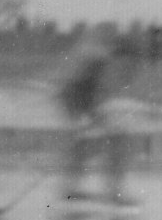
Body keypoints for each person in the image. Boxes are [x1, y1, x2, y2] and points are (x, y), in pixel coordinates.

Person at [55, 24, 142, 206]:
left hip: (82, 102)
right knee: (112, 138)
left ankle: (78, 188)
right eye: (125, 64)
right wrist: (86, 120)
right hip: (75, 100)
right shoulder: (99, 65)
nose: (127, 71)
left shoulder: (106, 64)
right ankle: (107, 191)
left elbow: (100, 97)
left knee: (112, 138)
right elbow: (74, 92)